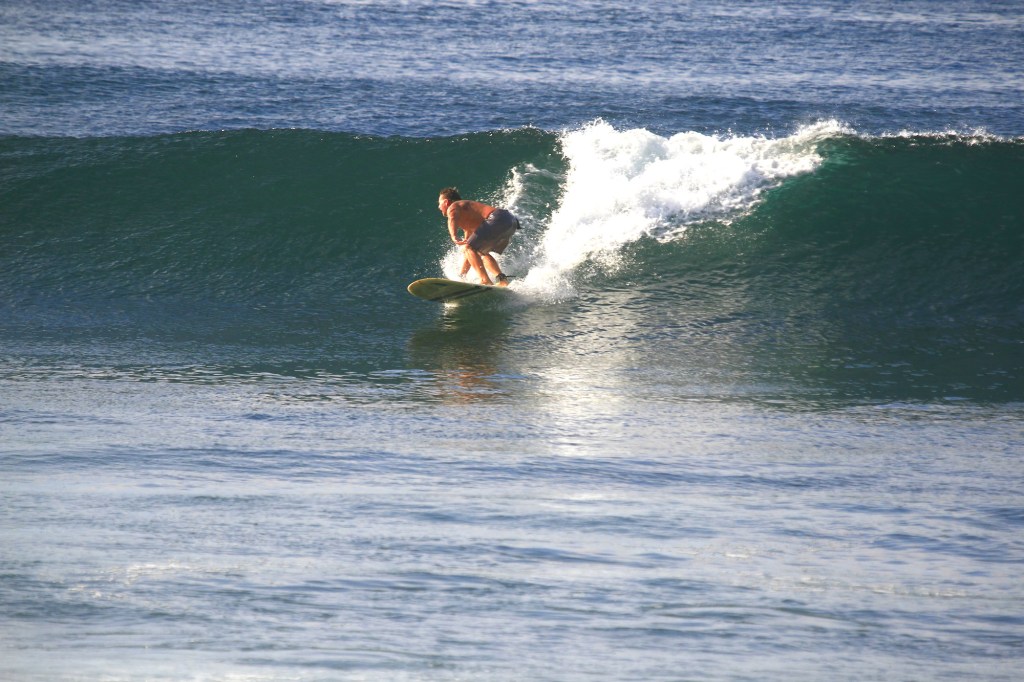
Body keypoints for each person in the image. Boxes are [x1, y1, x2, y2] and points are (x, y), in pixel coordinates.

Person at [437, 187, 519, 286]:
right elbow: (470, 253)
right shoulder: (467, 222)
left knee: (469, 248)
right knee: (479, 252)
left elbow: (452, 219)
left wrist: (453, 235)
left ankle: (485, 280)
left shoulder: (453, 206)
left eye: (439, 203)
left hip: (498, 218)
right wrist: (462, 275)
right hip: (511, 222)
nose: (439, 207)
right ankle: (502, 279)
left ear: (446, 202)